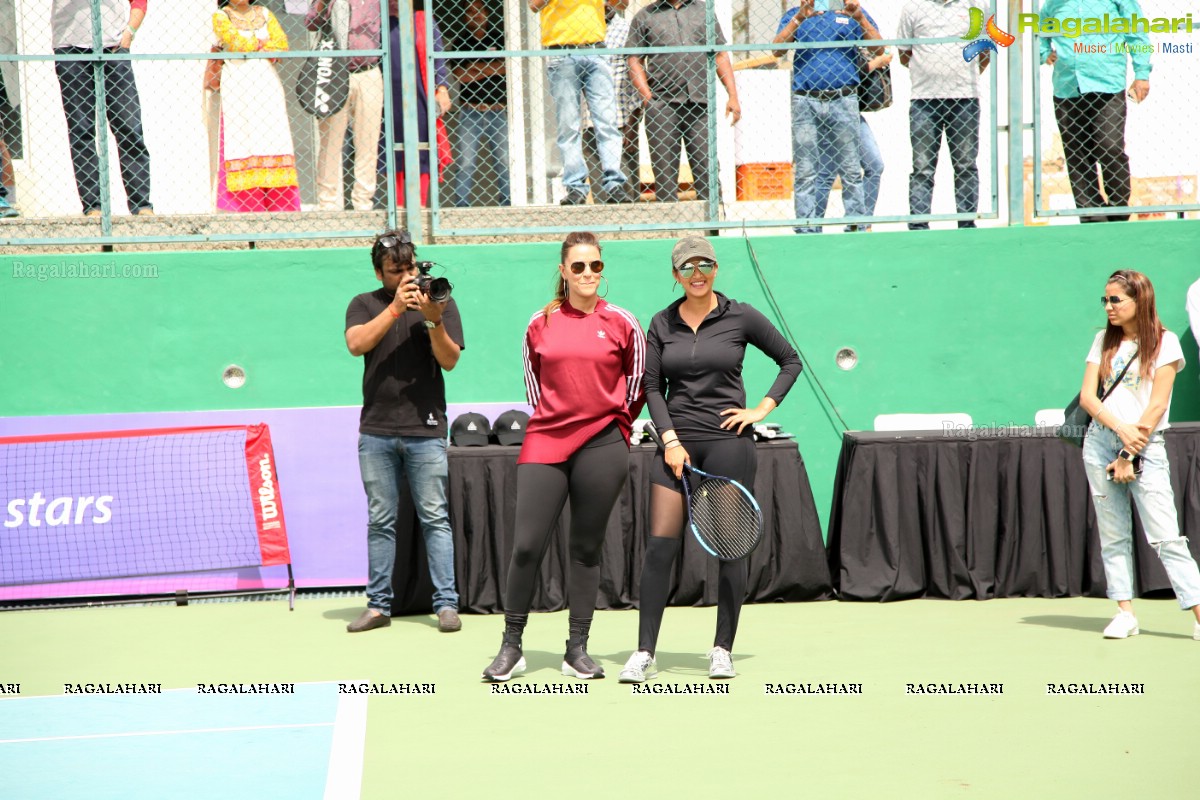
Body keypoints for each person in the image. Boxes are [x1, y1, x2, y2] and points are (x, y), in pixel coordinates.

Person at [619, 237, 802, 683]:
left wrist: (761, 409)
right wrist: (669, 440)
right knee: (660, 547)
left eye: (704, 264)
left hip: (728, 444)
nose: (696, 273)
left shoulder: (740, 315)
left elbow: (789, 361)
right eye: (687, 267)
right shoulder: (661, 323)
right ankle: (645, 652)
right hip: (676, 445)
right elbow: (651, 387)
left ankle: (722, 648)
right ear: (675, 275)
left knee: (729, 547)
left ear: (716, 268)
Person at [482, 231, 646, 681]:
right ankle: (511, 647)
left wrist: (613, 428)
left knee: (585, 550)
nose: (588, 274)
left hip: (604, 445)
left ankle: (577, 649)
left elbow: (636, 388)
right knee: (526, 546)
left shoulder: (623, 323)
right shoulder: (539, 323)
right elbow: (535, 390)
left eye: (595, 265)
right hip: (547, 440)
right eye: (579, 267)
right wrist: (564, 420)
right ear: (563, 271)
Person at [344, 229, 465, 634]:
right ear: (379, 273)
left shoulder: (440, 301)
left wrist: (433, 320)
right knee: (381, 520)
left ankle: (446, 604)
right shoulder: (363, 304)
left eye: (410, 267)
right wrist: (396, 308)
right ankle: (378, 606)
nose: (406, 276)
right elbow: (356, 344)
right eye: (396, 270)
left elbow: (449, 361)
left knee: (435, 518)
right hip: (376, 430)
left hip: (426, 429)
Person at [1078, 270, 1200, 641]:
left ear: (1139, 300)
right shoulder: (1103, 340)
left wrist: (1130, 451)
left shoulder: (1164, 343)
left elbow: (1158, 404)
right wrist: (1118, 429)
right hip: (1100, 443)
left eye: (1117, 299)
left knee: (1166, 536)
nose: (1109, 307)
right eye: (1106, 300)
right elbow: (1088, 397)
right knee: (1113, 535)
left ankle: (1197, 614)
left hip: (1146, 446)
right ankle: (1124, 612)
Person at [774, 1, 881, 233]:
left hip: (843, 99)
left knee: (851, 169)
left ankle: (855, 226)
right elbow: (777, 49)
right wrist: (800, 18)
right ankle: (807, 229)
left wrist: (860, 19)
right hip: (805, 100)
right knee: (805, 170)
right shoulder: (796, 14)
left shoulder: (850, 13)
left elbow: (879, 48)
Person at [1040, 0, 1150, 223]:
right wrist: (1044, 53)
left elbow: (1136, 31)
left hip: (1107, 84)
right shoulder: (1053, 3)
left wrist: (1142, 73)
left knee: (1109, 147)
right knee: (1077, 153)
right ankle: (1091, 214)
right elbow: (1039, 31)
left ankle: (1118, 209)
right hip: (1067, 87)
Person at [627, 0, 741, 203]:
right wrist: (648, 99)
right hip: (662, 105)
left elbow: (720, 55)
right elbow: (633, 59)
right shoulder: (645, 16)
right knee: (664, 175)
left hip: (700, 104)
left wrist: (732, 95)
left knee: (708, 170)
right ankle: (672, 229)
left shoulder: (704, 11)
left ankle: (713, 228)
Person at [51, 0, 153, 216]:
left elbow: (140, 2)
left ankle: (141, 205)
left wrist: (129, 33)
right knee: (81, 130)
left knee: (129, 126)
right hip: (70, 49)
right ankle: (93, 207)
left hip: (113, 48)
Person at [898, 0, 988, 230]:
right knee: (922, 167)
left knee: (966, 165)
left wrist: (959, 76)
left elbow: (984, 51)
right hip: (924, 101)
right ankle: (919, 225)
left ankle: (966, 224)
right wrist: (930, 74)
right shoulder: (913, 8)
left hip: (965, 100)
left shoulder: (975, 6)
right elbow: (904, 55)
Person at [531, 0, 630, 205]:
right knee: (569, 125)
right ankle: (575, 187)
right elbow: (534, 5)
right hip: (561, 51)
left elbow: (621, 4)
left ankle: (614, 184)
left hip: (596, 50)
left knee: (607, 122)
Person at [212, 0, 300, 213]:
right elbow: (236, 45)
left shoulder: (266, 13)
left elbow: (281, 44)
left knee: (274, 138)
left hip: (267, 82)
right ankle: (247, 205)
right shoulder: (221, 16)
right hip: (238, 82)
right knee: (242, 139)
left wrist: (255, 45)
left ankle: (279, 205)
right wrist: (262, 43)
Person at [306, 0, 384, 212]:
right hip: (334, 72)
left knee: (367, 140)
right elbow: (311, 22)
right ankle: (328, 203)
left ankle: (363, 202)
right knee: (330, 139)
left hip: (367, 70)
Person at [812, 48, 889, 230]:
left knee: (874, 165)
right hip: (829, 105)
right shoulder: (830, 31)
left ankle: (860, 224)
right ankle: (812, 228)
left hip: (851, 109)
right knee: (826, 172)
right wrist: (877, 63)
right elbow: (847, 73)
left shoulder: (856, 26)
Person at [386, 0, 451, 207]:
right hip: (388, 95)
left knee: (422, 147)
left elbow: (438, 59)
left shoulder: (424, 20)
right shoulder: (379, 23)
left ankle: (420, 205)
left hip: (420, 92)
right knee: (393, 148)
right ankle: (397, 205)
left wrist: (442, 88)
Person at [449, 0, 509, 207]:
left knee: (504, 162)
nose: (475, 15)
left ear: (486, 13)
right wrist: (490, 68)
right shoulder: (461, 42)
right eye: (470, 12)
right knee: (466, 163)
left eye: (479, 11)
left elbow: (507, 66)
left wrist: (475, 67)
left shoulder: (498, 37)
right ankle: (461, 206)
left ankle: (508, 203)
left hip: (498, 111)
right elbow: (460, 75)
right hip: (470, 112)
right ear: (465, 16)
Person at [581, 0, 639, 199]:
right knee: (601, 195)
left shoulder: (625, 30)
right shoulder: (579, 30)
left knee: (627, 193)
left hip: (619, 123)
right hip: (588, 124)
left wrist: (633, 126)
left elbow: (634, 81)